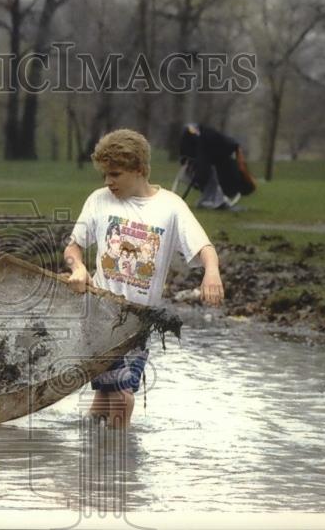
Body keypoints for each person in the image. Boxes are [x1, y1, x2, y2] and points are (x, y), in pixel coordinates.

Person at [64, 129, 224, 428]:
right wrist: (78, 269)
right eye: (104, 175)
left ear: (139, 170)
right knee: (123, 396)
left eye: (115, 174)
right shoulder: (99, 200)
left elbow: (205, 247)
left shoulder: (171, 207)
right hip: (99, 315)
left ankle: (94, 449)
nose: (108, 182)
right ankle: (119, 466)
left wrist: (211, 272)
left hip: (139, 322)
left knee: (107, 397)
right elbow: (73, 247)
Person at [177, 123, 256, 209]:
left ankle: (211, 200)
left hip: (201, 161)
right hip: (199, 162)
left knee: (211, 170)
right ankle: (211, 200)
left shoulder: (211, 140)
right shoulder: (207, 139)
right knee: (210, 171)